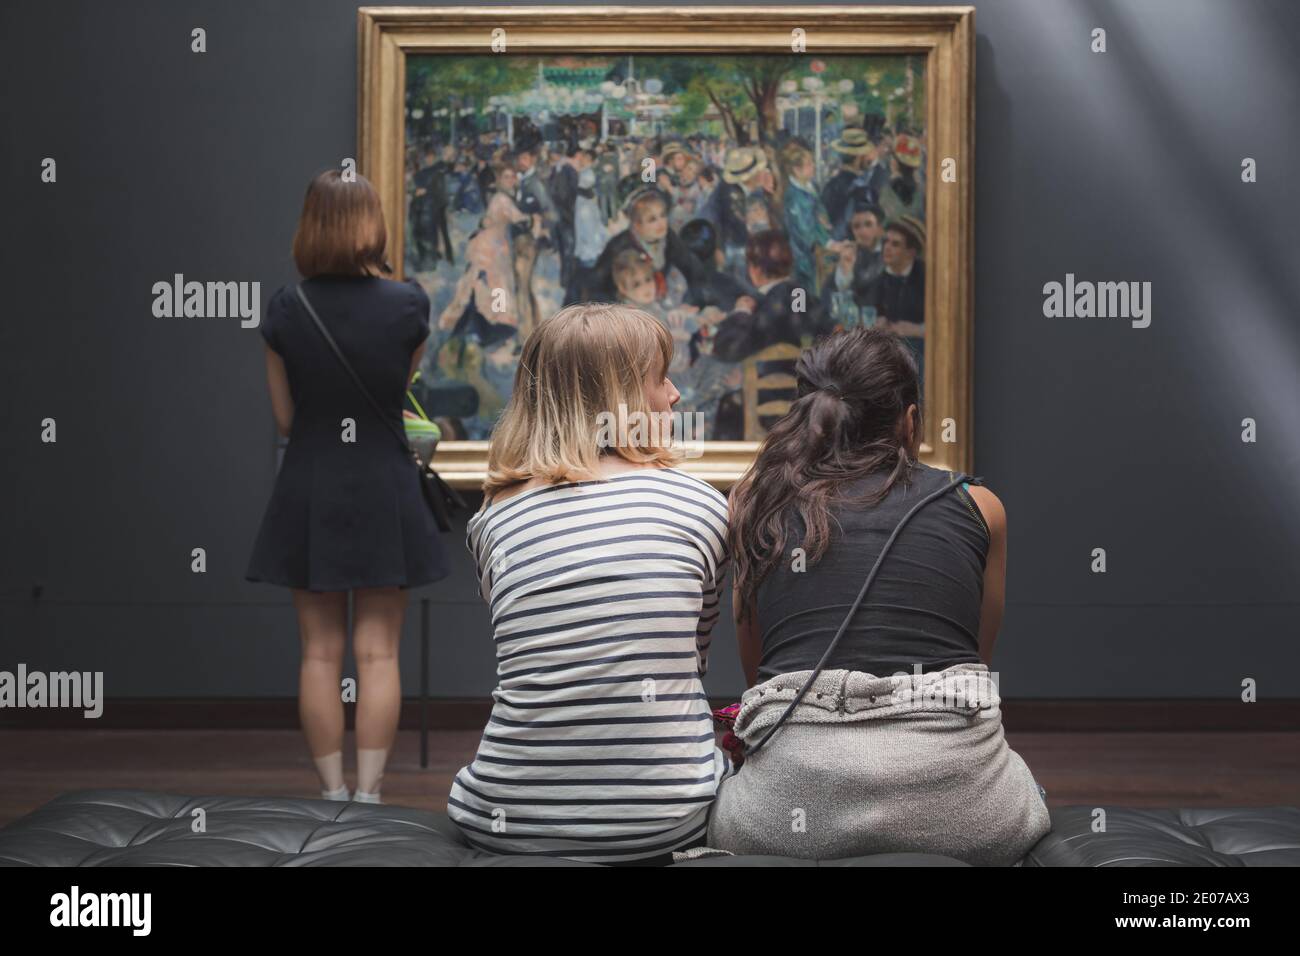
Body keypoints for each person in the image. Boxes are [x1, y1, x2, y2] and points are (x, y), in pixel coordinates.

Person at [707, 327, 1050, 865]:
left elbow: (761, 679)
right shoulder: (981, 507)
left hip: (783, 817)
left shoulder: (754, 505)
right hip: (969, 812)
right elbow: (974, 665)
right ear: (910, 422)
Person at [448, 303, 732, 864]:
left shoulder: (492, 521)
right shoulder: (702, 506)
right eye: (659, 378)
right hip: (665, 821)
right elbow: (690, 662)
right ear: (621, 400)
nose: (675, 394)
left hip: (504, 817)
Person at [246, 169, 449, 804]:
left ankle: (332, 791)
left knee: (319, 654)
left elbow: (285, 418)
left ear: (309, 225)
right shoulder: (410, 304)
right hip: (384, 484)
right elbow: (396, 393)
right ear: (372, 225)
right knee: (379, 654)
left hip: (311, 484)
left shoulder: (285, 307)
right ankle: (370, 794)